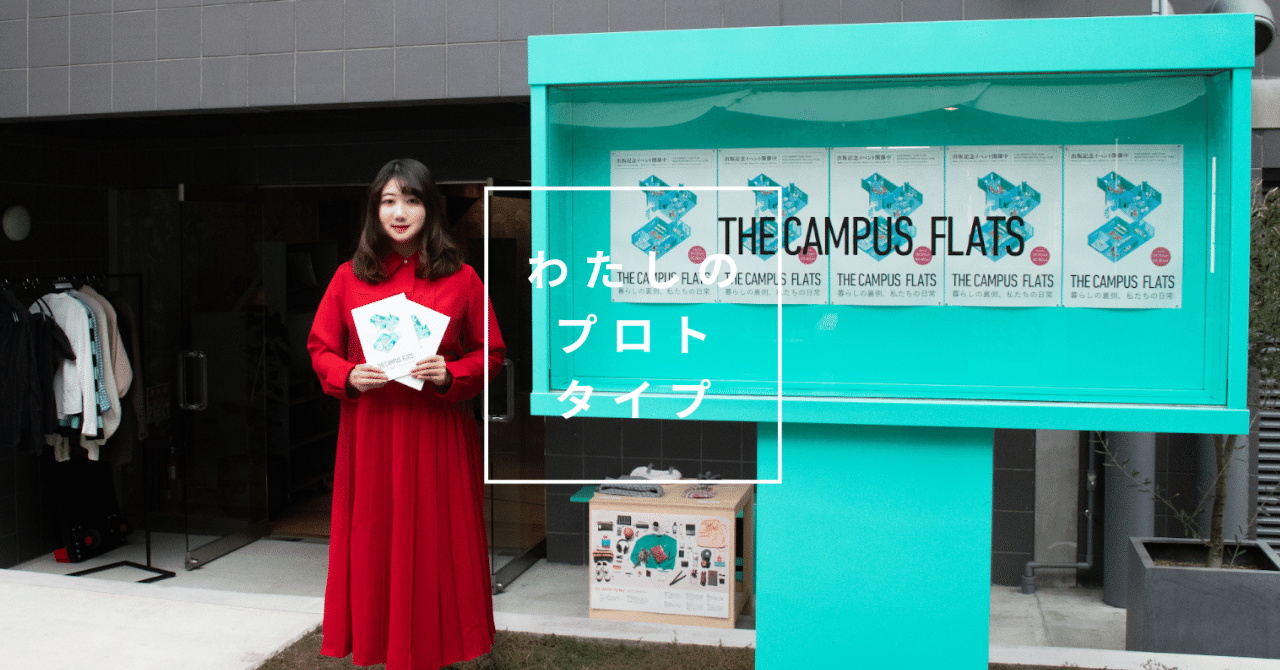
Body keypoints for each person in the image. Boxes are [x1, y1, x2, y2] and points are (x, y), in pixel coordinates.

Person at [308, 158, 505, 669]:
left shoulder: (462, 278)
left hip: (437, 431)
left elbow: (491, 353)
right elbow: (320, 348)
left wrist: (452, 373)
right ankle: (379, 642)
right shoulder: (348, 278)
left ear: (430, 209)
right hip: (372, 431)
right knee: (374, 537)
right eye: (389, 201)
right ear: (374, 211)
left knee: (438, 541)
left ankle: (443, 646)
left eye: (412, 200)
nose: (400, 213)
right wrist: (347, 374)